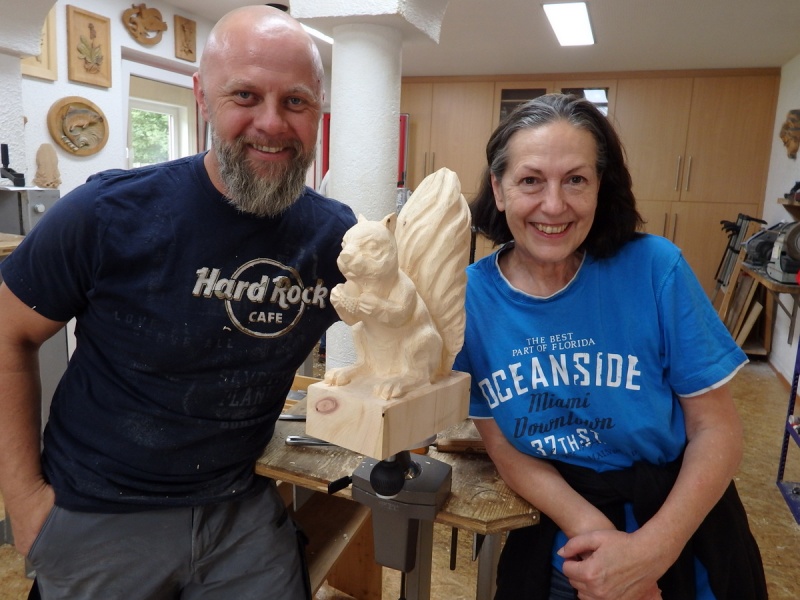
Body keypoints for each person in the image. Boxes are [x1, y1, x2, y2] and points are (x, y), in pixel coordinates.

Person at [0, 6, 356, 600]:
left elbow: (404, 330)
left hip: (240, 512)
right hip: (98, 514)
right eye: (245, 95)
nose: (272, 123)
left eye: (295, 101)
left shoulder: (335, 239)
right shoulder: (105, 214)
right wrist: (24, 501)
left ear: (318, 109)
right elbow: (6, 333)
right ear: (202, 97)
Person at [453, 94, 767, 600]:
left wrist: (649, 555)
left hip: (678, 523)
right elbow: (503, 446)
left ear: (600, 186)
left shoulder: (655, 268)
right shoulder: (468, 300)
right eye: (530, 180)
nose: (553, 205)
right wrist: (597, 535)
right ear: (499, 188)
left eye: (575, 180)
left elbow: (717, 430)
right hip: (563, 535)